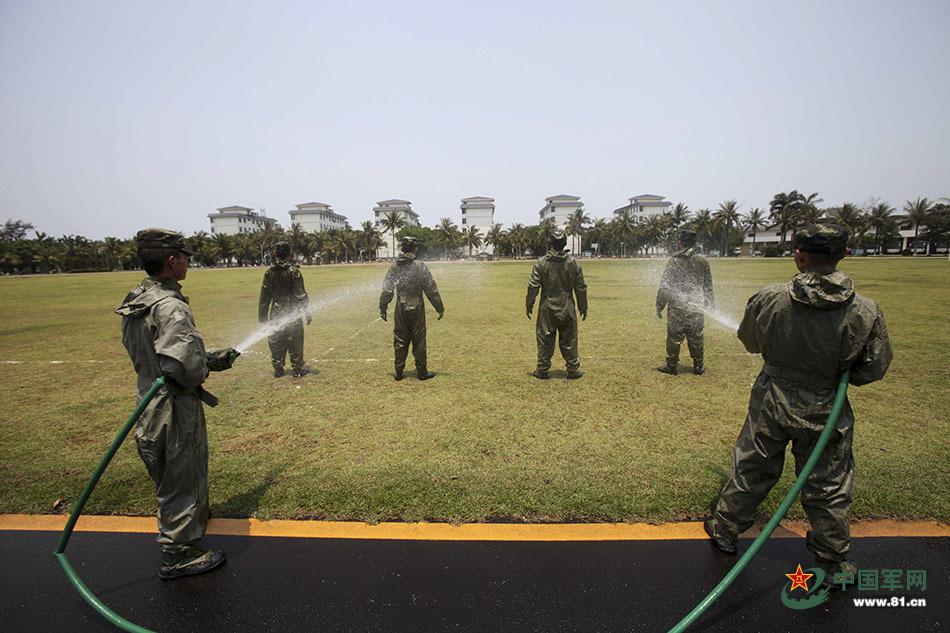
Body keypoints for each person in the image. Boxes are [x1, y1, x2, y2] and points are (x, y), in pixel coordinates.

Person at [704, 223, 892, 587]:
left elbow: (750, 342)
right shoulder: (865, 311)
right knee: (829, 483)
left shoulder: (769, 298)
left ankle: (725, 528)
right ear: (844, 254)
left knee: (754, 466)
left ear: (799, 254)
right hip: (827, 408)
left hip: (772, 399)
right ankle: (833, 560)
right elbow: (874, 367)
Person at [115, 228, 239, 580]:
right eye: (184, 256)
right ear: (172, 261)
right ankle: (180, 555)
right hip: (173, 407)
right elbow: (184, 369)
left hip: (150, 403)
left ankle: (186, 534)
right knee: (180, 477)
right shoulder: (171, 307)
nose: (187, 261)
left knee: (168, 475)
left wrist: (206, 357)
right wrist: (205, 364)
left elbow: (158, 356)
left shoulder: (140, 298)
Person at [379, 236, 444, 380]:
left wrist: (383, 306)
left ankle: (399, 371)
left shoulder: (395, 266)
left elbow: (387, 289)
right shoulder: (420, 266)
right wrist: (439, 307)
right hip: (417, 307)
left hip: (400, 307)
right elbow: (431, 289)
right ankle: (422, 372)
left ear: (402, 248)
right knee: (419, 339)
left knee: (400, 339)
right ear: (414, 249)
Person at [525, 230, 588, 379]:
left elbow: (533, 286)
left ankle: (542, 369)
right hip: (567, 305)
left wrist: (529, 304)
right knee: (570, 338)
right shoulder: (573, 263)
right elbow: (580, 288)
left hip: (547, 306)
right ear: (564, 243)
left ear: (550, 243)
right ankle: (572, 369)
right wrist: (583, 306)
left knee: (545, 338)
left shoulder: (541, 263)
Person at [656, 229, 714, 375]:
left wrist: (660, 305)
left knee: (674, 336)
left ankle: (671, 365)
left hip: (677, 306)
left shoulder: (675, 260)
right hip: (696, 305)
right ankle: (698, 366)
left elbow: (666, 285)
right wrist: (709, 303)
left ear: (681, 242)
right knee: (696, 336)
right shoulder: (703, 261)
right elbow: (708, 285)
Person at [258, 241, 311, 378]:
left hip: (276, 312)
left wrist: (263, 316)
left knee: (276, 339)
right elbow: (301, 294)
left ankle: (278, 368)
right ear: (289, 254)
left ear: (275, 254)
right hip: (292, 311)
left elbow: (265, 296)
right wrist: (307, 312)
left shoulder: (269, 273)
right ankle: (297, 369)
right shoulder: (294, 272)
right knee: (295, 339)